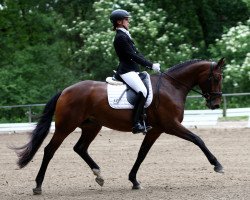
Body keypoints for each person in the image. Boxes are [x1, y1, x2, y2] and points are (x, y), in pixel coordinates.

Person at [110, 9, 161, 134]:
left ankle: (143, 119)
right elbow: (132, 56)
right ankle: (136, 123)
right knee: (142, 91)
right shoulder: (120, 37)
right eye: (126, 19)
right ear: (119, 22)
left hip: (133, 70)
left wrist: (150, 63)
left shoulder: (125, 35)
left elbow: (137, 54)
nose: (129, 21)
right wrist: (150, 65)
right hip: (126, 71)